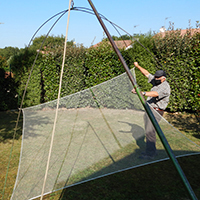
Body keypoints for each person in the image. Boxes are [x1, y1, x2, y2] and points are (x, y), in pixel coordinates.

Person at [132, 62, 171, 159]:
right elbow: (147, 74)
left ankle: (150, 154)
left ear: (163, 79)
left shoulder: (165, 86)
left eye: (158, 78)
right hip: (150, 109)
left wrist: (142, 93)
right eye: (156, 77)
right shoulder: (157, 80)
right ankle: (151, 150)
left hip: (156, 111)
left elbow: (155, 93)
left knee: (150, 131)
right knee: (149, 131)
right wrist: (138, 66)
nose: (155, 79)